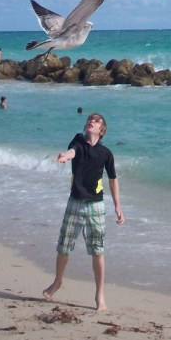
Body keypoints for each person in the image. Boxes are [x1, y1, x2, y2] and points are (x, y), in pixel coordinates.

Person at [43, 112, 124, 311]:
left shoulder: (106, 154)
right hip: (75, 202)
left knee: (98, 251)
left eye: (96, 121)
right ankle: (57, 282)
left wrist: (117, 206)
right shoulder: (78, 141)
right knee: (64, 247)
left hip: (96, 206)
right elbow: (73, 151)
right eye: (89, 120)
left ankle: (99, 295)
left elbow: (113, 180)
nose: (91, 122)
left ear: (102, 130)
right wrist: (64, 156)